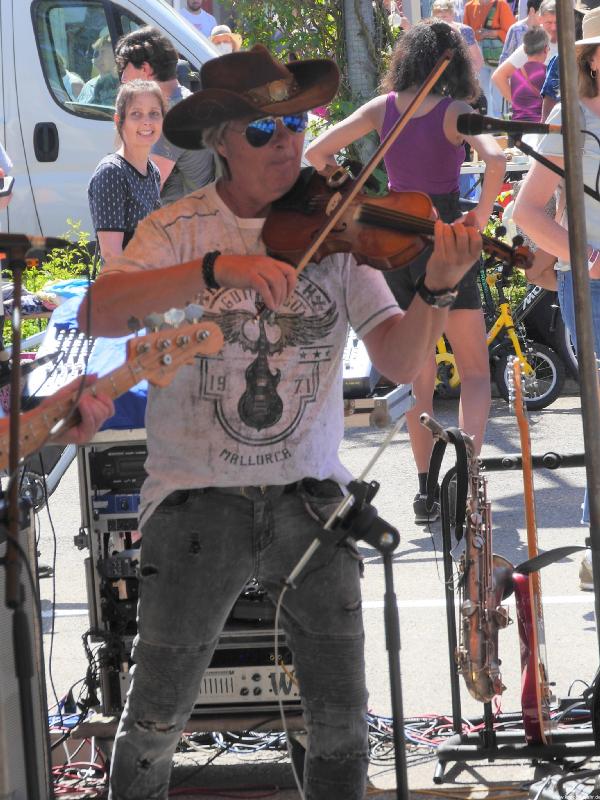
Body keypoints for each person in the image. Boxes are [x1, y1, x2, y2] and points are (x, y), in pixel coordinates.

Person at [78, 44, 482, 800]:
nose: (289, 143)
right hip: (196, 501)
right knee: (157, 720)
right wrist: (217, 270)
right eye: (264, 132)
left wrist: (435, 287)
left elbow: (397, 358)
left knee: (341, 726)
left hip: (311, 501)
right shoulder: (178, 229)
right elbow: (100, 308)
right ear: (222, 141)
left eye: (295, 125)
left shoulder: (333, 231)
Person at [305, 21, 505, 524]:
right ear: (451, 61)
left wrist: (360, 188)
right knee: (476, 372)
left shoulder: (385, 107)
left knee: (419, 376)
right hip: (446, 237)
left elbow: (316, 152)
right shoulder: (456, 111)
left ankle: (424, 492)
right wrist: (478, 217)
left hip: (394, 239)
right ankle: (467, 476)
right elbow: (497, 158)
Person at [512, 6, 600, 591]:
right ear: (593, 60)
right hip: (592, 289)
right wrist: (585, 257)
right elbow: (525, 211)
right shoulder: (572, 118)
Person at [115, 26, 214, 205]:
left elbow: (143, 193)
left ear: (145, 69)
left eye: (124, 69)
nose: (122, 79)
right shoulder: (183, 100)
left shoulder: (170, 119)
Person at [88, 80, 165, 263]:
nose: (146, 122)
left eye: (154, 114)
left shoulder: (153, 171)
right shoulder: (112, 173)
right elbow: (112, 254)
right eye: (136, 114)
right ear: (119, 120)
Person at [491, 0, 557, 108]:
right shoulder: (535, 43)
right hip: (540, 118)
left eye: (557, 22)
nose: (553, 27)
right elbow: (499, 76)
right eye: (549, 23)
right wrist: (519, 106)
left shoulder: (570, 40)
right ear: (540, 20)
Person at [463, 0, 515, 116]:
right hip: (477, 52)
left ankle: (500, 120)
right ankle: (489, 120)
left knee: (498, 89)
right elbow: (466, 32)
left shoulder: (501, 4)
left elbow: (510, 32)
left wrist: (492, 33)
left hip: (496, 53)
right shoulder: (469, 6)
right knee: (482, 89)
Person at [509, 26, 549, 121]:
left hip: (516, 129)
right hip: (537, 130)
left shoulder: (515, 74)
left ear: (525, 50)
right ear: (546, 49)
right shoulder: (547, 73)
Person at [431, 0, 485, 72]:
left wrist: (463, 76)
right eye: (437, 17)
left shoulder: (464, 31)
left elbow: (478, 62)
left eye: (444, 17)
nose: (441, 21)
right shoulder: (429, 32)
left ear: (452, 15)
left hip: (460, 76)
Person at [78, 34, 119, 106]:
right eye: (96, 53)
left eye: (103, 52)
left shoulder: (122, 85)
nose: (98, 58)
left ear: (116, 55)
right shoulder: (88, 85)